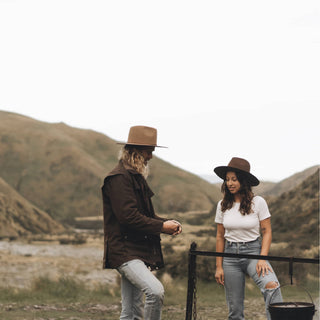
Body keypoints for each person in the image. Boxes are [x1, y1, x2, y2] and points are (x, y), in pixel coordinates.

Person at [102, 125, 182, 320]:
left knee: (131, 312)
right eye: (149, 151)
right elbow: (128, 216)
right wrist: (162, 226)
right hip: (124, 251)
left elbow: (143, 214)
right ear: (135, 151)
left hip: (136, 250)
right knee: (155, 291)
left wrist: (165, 223)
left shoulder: (134, 177)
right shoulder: (119, 178)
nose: (151, 157)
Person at [214, 157, 282, 320]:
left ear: (243, 181)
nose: (230, 183)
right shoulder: (222, 204)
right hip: (230, 257)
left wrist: (262, 258)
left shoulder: (258, 202)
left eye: (234, 179)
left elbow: (267, 231)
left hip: (254, 253)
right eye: (228, 179)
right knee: (235, 309)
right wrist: (219, 266)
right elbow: (219, 236)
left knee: (272, 287)